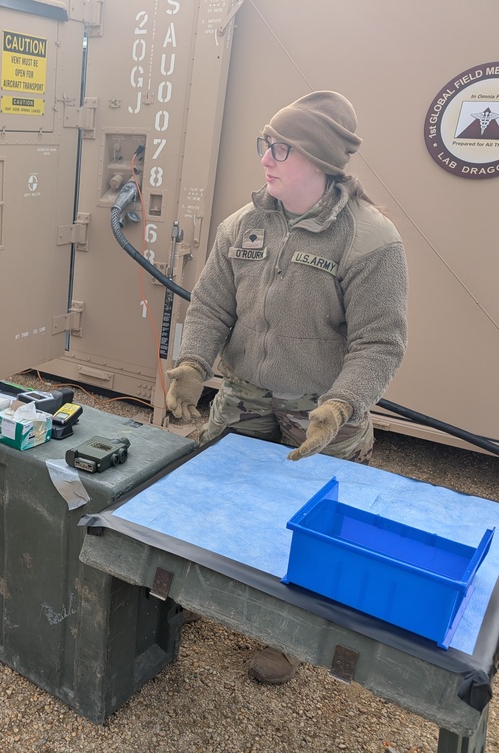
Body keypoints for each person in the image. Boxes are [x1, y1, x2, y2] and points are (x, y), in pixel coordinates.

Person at [165, 91, 408, 684]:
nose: (266, 158)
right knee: (215, 497)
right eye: (265, 144)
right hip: (245, 397)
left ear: (320, 161)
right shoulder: (241, 225)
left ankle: (285, 636)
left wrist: (341, 405)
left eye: (281, 148)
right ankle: (189, 591)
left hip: (320, 413)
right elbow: (211, 307)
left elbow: (379, 343)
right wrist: (194, 364)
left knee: (308, 525)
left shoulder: (370, 240)